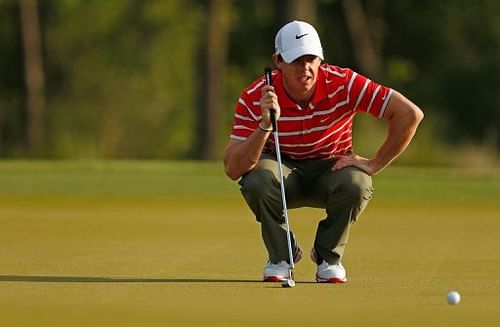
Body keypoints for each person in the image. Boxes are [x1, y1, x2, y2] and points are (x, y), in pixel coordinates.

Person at [223, 20, 424, 283]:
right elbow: (233, 168)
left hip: (331, 170)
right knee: (256, 180)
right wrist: (265, 125)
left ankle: (328, 255)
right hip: (282, 173)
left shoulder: (344, 82)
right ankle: (281, 256)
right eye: (296, 60)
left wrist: (374, 164)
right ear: (278, 61)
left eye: (311, 59)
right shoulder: (256, 95)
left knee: (358, 182)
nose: (305, 68)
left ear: (321, 59)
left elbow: (410, 114)